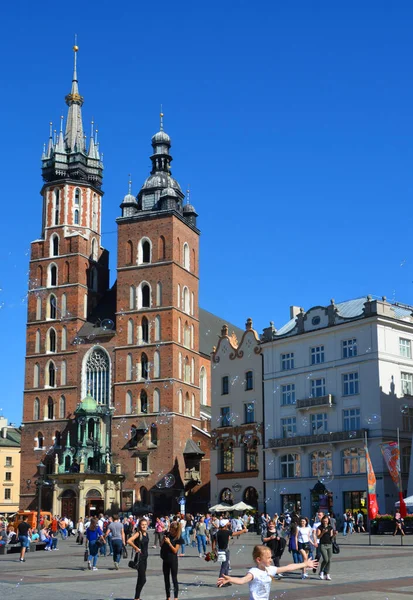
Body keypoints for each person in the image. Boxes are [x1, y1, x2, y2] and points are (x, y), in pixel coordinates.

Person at [217, 544, 318, 599]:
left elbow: (288, 567)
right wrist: (230, 579)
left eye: (271, 557)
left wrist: (304, 564)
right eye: (268, 558)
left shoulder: (270, 569)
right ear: (259, 560)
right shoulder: (254, 572)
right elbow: (242, 580)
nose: (271, 559)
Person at [216, 519, 248, 584]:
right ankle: (220, 581)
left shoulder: (218, 532)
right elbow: (236, 533)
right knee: (224, 566)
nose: (228, 524)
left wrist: (213, 549)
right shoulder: (227, 532)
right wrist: (243, 530)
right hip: (225, 550)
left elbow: (214, 541)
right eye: (227, 523)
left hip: (220, 550)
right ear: (225, 525)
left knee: (227, 565)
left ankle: (226, 580)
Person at [160, 521, 184, 600]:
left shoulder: (178, 538)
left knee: (174, 579)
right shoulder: (167, 534)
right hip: (165, 559)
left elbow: (175, 551)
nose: (170, 531)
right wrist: (163, 540)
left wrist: (169, 543)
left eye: (172, 530)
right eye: (170, 529)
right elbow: (161, 545)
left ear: (176, 530)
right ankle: (168, 597)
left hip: (173, 560)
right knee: (166, 579)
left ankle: (176, 597)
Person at [127, 518, 149, 600]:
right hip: (139, 559)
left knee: (141, 578)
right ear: (140, 525)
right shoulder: (138, 533)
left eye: (145, 524)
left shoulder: (146, 534)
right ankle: (136, 598)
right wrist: (136, 547)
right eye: (142, 524)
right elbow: (129, 541)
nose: (144, 526)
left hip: (145, 558)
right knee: (142, 579)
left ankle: (137, 597)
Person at [317, 515, 334, 580]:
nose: (325, 521)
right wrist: (323, 532)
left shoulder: (330, 528)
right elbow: (318, 537)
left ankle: (327, 574)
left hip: (329, 545)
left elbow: (331, 537)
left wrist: (334, 535)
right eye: (324, 520)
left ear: (328, 520)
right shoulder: (320, 527)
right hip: (322, 545)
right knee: (326, 559)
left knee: (329, 560)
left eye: (326, 520)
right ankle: (321, 572)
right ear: (322, 521)